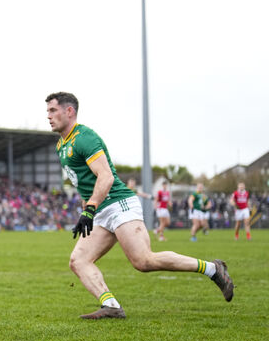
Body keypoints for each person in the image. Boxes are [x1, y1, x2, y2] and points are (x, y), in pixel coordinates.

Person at [45, 92, 233, 320]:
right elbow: (86, 184)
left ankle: (213, 269)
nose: (49, 116)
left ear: (69, 111)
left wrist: (89, 208)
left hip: (118, 203)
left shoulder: (84, 137)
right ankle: (111, 306)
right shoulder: (61, 146)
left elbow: (106, 178)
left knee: (143, 261)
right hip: (101, 211)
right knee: (79, 261)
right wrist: (87, 211)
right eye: (47, 111)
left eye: (53, 110)